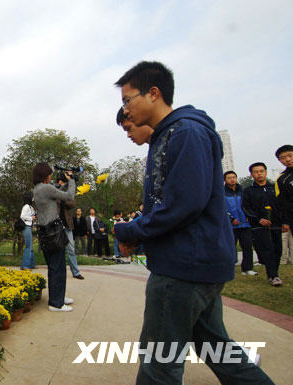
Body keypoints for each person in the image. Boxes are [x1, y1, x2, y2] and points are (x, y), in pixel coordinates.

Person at [114, 61, 274, 384]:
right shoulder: (169, 135)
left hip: (182, 270)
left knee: (159, 367)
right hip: (192, 265)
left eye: (127, 100)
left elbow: (183, 206)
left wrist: (130, 229)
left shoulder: (187, 132)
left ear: (154, 93)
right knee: (220, 353)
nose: (126, 112)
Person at [32, 163, 76, 312]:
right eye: (49, 174)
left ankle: (58, 297)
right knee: (58, 267)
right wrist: (71, 180)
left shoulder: (38, 189)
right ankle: (56, 304)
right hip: (54, 231)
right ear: (45, 175)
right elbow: (69, 196)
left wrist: (61, 185)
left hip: (45, 232)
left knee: (54, 267)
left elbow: (55, 191)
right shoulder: (46, 188)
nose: (51, 176)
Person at [242, 162, 283, 286]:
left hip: (275, 224)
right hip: (259, 225)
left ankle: (274, 273)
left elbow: (282, 205)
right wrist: (258, 219)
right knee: (266, 249)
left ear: (265, 172)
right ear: (252, 174)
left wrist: (284, 221)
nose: (259, 174)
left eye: (261, 171)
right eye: (256, 172)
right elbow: (246, 207)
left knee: (277, 249)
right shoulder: (249, 191)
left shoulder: (274, 188)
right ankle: (273, 275)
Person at [224, 171, 257, 275]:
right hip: (230, 225)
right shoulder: (221, 192)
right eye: (229, 178)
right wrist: (231, 219)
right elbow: (222, 208)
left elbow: (249, 205)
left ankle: (247, 268)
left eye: (234, 177)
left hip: (245, 223)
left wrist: (249, 216)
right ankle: (229, 267)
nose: (232, 179)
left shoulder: (243, 191)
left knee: (247, 246)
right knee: (230, 247)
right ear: (225, 180)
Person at [57, 179, 84, 280]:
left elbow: (72, 204)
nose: (62, 184)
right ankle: (59, 272)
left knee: (71, 249)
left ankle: (76, 272)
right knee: (59, 250)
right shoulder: (53, 190)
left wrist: (64, 198)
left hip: (67, 225)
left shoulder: (68, 193)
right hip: (56, 226)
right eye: (60, 182)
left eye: (63, 183)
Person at [275, 145, 293, 264]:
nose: (287, 159)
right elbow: (282, 203)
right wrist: (285, 221)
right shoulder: (282, 179)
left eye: (290, 155)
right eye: (283, 158)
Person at [20, 192, 36, 270]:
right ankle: (25, 266)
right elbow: (22, 216)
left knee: (31, 246)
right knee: (28, 246)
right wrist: (31, 218)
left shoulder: (30, 207)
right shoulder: (26, 206)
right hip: (26, 227)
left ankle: (32, 264)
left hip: (30, 227)